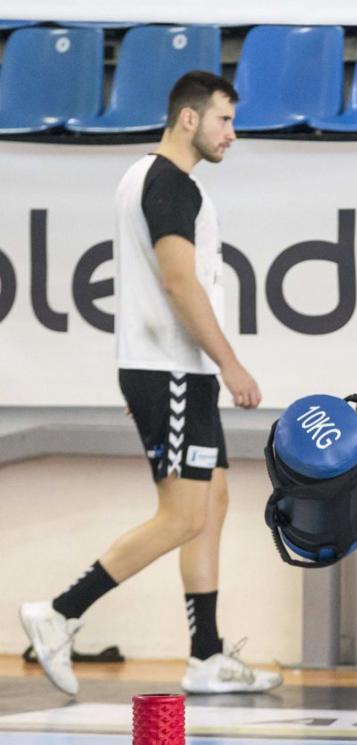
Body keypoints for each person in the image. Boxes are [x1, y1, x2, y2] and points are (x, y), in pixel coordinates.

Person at [20, 71, 280, 697]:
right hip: (169, 372)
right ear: (189, 119)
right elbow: (179, 284)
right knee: (183, 516)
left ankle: (206, 655)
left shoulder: (153, 179)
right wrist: (231, 363)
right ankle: (60, 612)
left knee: (211, 502)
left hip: (179, 371)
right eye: (224, 120)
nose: (232, 134)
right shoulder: (168, 183)